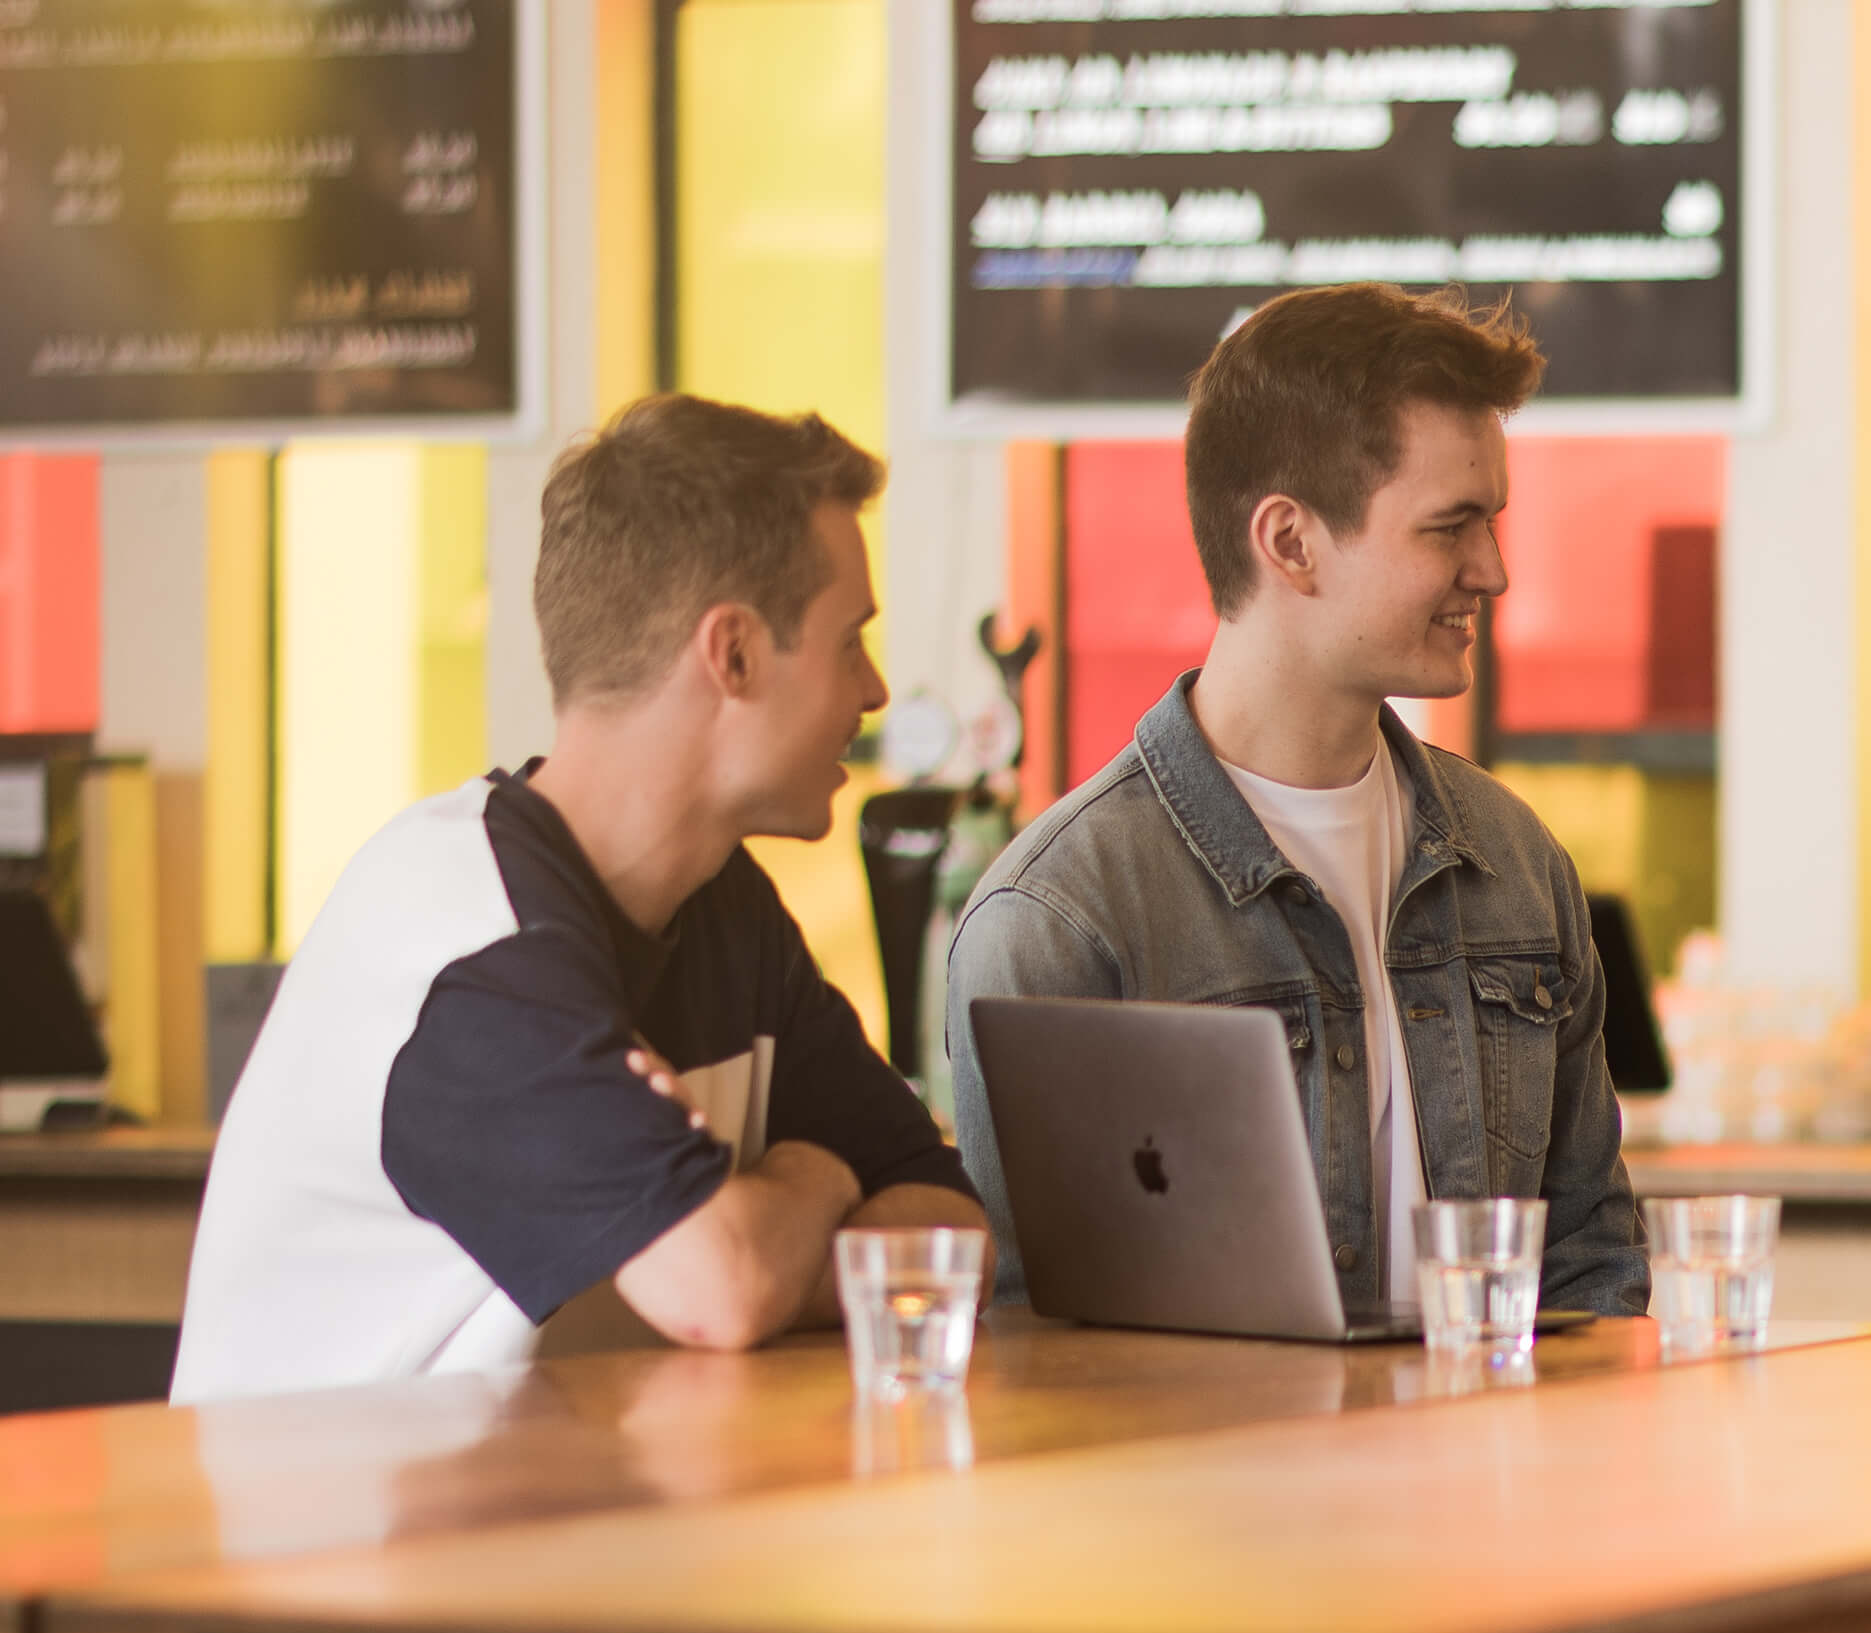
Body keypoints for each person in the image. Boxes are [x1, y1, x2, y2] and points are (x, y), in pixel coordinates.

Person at [172, 395, 991, 1403]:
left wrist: (761, 1215)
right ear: (730, 653)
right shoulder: (466, 939)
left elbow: (948, 1228)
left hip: (538, 1526)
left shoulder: (723, 902)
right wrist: (821, 1174)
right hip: (316, 1553)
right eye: (848, 641)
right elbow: (721, 1290)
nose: (872, 692)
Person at [945, 283, 1648, 1318]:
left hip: (1499, 1477)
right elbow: (1035, 1355)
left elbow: (1594, 1272)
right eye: (1449, 527)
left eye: (1489, 522)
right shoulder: (1062, 920)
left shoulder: (1517, 864)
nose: (1491, 572)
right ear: (1288, 542)